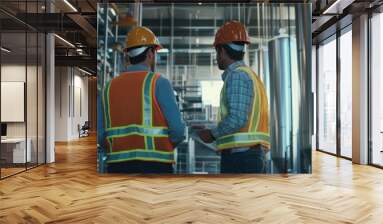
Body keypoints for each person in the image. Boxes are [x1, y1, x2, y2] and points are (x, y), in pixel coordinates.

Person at [98, 26, 185, 174]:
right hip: (156, 166)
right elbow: (178, 130)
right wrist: (165, 145)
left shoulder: (108, 88)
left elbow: (100, 135)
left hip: (117, 167)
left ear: (128, 55)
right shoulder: (159, 83)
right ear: (151, 53)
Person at [197, 21, 270, 174]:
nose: (217, 57)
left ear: (222, 51)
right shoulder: (249, 75)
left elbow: (237, 118)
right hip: (247, 155)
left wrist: (211, 134)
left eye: (217, 52)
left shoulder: (237, 76)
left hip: (242, 158)